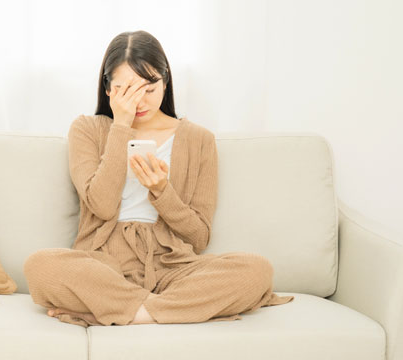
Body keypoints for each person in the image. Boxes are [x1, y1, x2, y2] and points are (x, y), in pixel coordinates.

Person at [23, 30, 294, 327]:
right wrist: (121, 127)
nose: (139, 101)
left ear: (165, 81)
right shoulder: (88, 129)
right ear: (108, 88)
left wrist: (162, 191)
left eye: (149, 89)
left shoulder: (199, 139)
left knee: (256, 270)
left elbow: (199, 238)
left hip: (172, 266)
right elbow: (101, 205)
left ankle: (128, 313)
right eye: (126, 90)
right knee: (41, 266)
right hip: (104, 265)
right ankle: (172, 311)